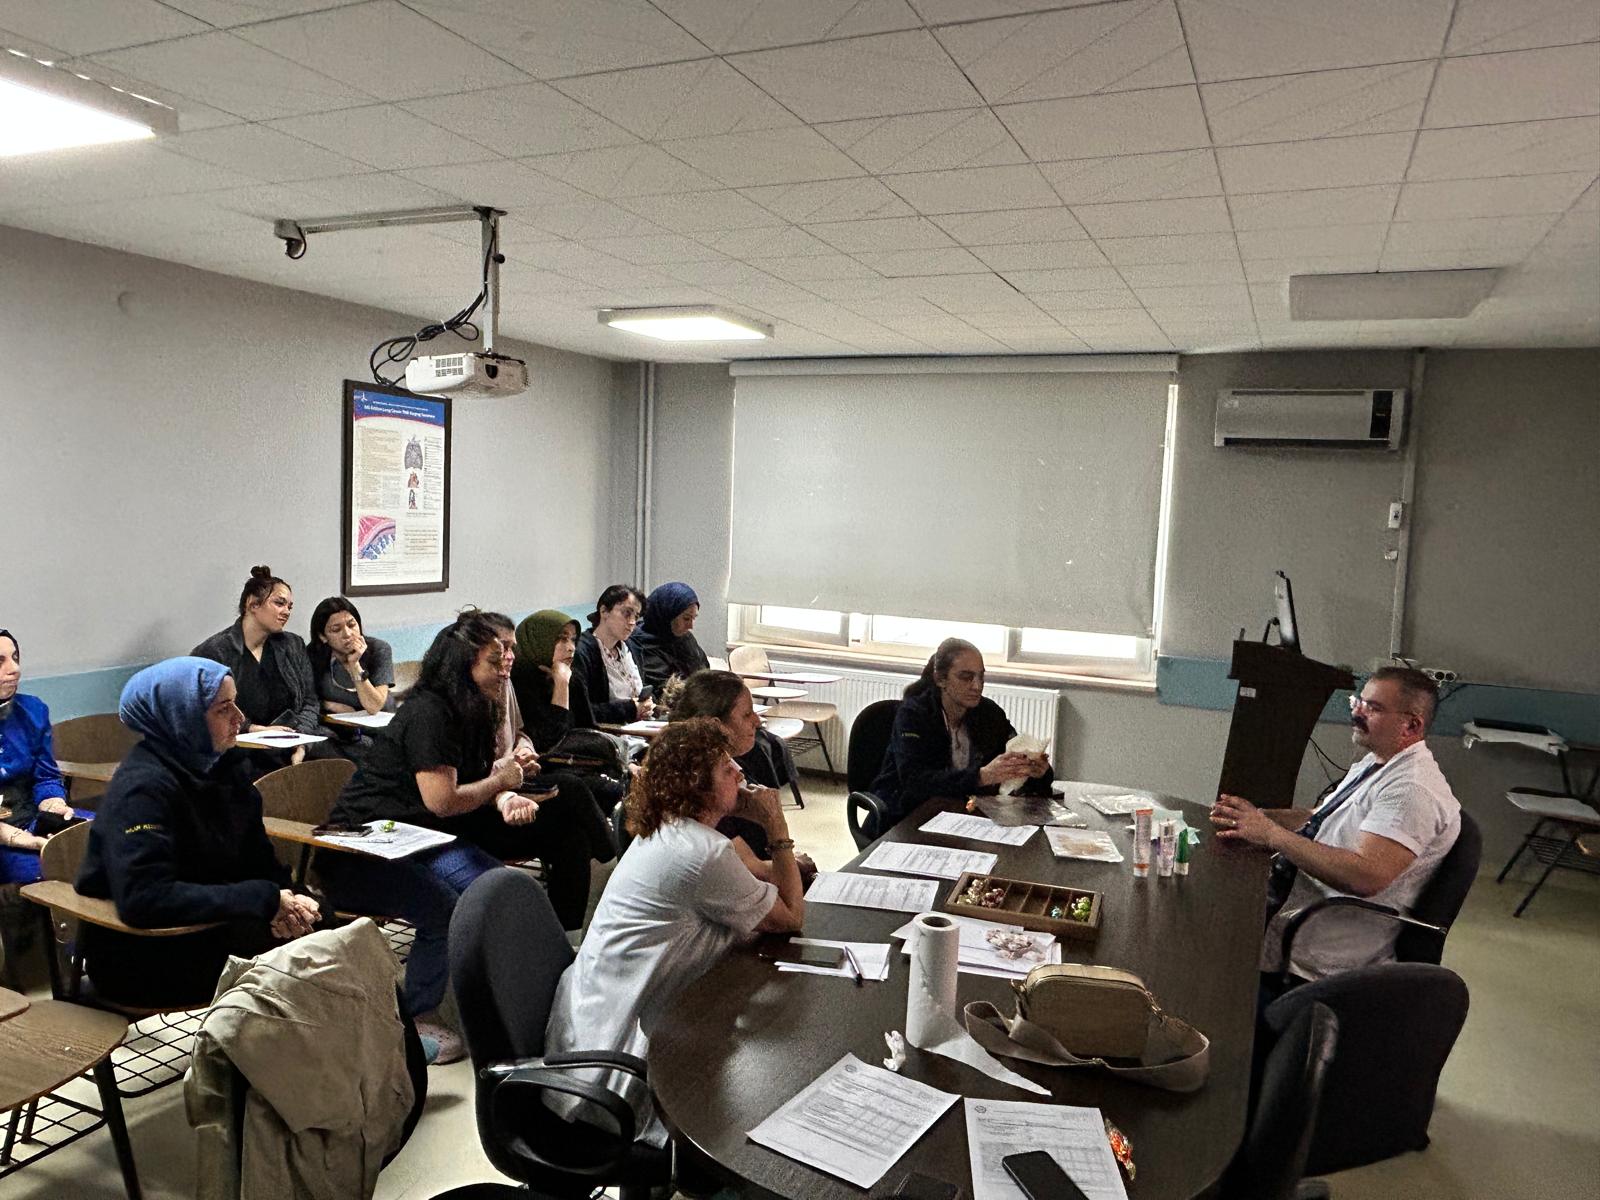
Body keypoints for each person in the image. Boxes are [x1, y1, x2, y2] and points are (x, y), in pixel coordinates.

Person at [316, 610, 606, 1058]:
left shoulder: (477, 706)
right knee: (446, 909)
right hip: (361, 849)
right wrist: (501, 783)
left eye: (509, 652)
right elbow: (442, 800)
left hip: (422, 840)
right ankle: (415, 1018)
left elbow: (473, 782)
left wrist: (504, 793)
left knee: (502, 891)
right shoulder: (431, 711)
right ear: (464, 662)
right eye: (496, 657)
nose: (507, 663)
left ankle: (535, 995)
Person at [543, 718, 804, 1141]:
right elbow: (790, 917)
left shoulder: (672, 829)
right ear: (698, 787)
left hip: (598, 1017)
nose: (739, 771)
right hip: (620, 1061)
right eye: (726, 768)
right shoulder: (702, 852)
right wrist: (777, 828)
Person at [74, 658, 322, 1009]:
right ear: (182, 718)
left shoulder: (225, 767)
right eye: (223, 708)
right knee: (303, 959)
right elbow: (145, 900)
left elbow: (259, 861)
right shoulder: (141, 789)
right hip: (144, 951)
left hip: (210, 922)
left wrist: (293, 902)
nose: (240, 718)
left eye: (236, 703)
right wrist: (263, 899)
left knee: (321, 925)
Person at [1211, 666, 1460, 987]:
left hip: (1319, 953)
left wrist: (1271, 834)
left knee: (1203, 942)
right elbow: (1321, 817)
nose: (1357, 713)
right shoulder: (1378, 762)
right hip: (1294, 904)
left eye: (1373, 708)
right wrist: (1256, 817)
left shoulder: (1411, 790)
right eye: (1358, 702)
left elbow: (1365, 876)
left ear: (1411, 725)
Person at [870, 637, 1053, 829]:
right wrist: (981, 776)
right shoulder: (914, 715)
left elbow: (1012, 763)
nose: (977, 686)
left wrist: (1038, 771)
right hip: (907, 818)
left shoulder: (989, 713)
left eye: (981, 677)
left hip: (965, 816)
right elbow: (915, 782)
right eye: (966, 677)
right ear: (940, 679)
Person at [670, 670, 816, 882]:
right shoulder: (705, 784)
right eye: (747, 715)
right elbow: (754, 870)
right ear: (716, 725)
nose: (757, 721)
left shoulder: (733, 764)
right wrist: (786, 848)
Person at [193, 566, 323, 771]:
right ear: (252, 604)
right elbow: (203, 709)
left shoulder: (293, 645)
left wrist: (301, 741)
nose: (286, 612)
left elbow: (310, 701)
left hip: (288, 744)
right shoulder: (214, 651)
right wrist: (252, 729)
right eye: (279, 603)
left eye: (290, 606)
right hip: (238, 749)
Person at [0, 628, 94, 885]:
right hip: (4, 835)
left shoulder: (32, 710)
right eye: (0, 661)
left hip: (33, 818)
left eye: (15, 658)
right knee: (48, 870)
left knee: (111, 835)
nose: (15, 669)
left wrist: (54, 805)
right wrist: (18, 838)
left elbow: (46, 776)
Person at [574, 585, 654, 725]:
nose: (632, 622)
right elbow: (582, 712)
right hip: (605, 732)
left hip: (638, 727)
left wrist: (648, 705)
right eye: (626, 613)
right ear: (604, 611)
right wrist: (629, 709)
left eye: (636, 616)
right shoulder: (582, 652)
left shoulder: (632, 647)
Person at [308, 596, 396, 717]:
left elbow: (374, 706)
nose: (347, 634)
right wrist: (329, 705)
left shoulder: (379, 649)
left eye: (351, 625)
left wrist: (355, 666)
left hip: (381, 720)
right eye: (336, 630)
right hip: (338, 723)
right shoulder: (313, 655)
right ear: (322, 636)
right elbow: (304, 700)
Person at [628, 582, 710, 692]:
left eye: (693, 618)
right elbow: (665, 691)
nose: (691, 626)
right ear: (667, 615)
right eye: (686, 618)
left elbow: (704, 673)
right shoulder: (640, 645)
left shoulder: (683, 637)